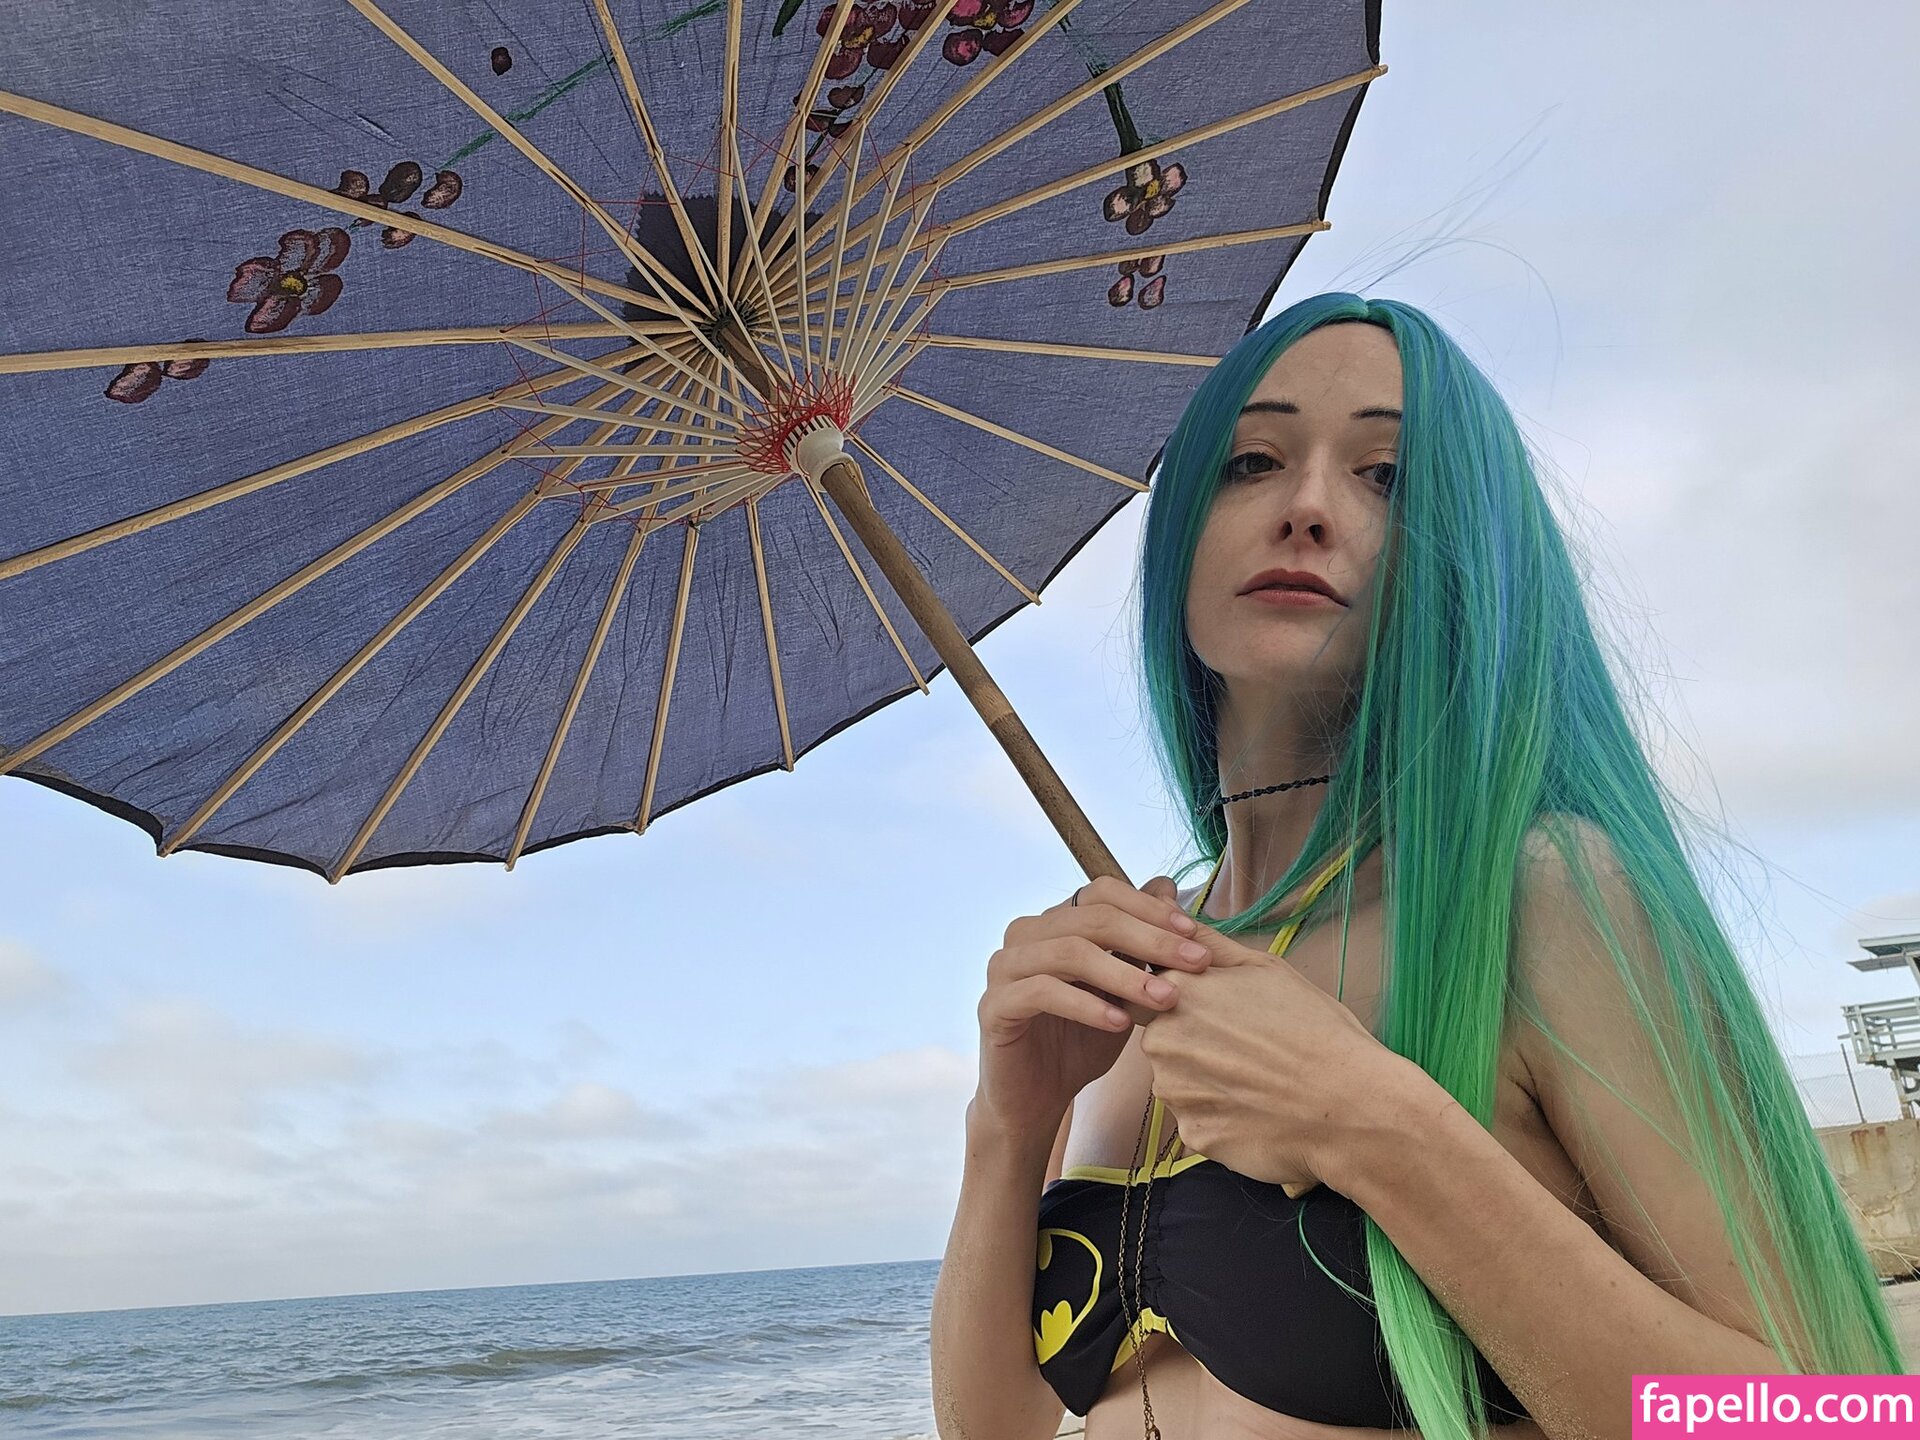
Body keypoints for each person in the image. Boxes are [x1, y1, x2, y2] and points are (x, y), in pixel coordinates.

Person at [928, 293, 1904, 1440]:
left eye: (1385, 477)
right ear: (1183, 527)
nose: (1306, 506)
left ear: (1468, 556)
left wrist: (1373, 1124)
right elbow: (997, 1425)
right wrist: (1007, 1124)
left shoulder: (1536, 897)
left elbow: (1817, 1415)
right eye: (1252, 461)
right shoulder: (1123, 977)